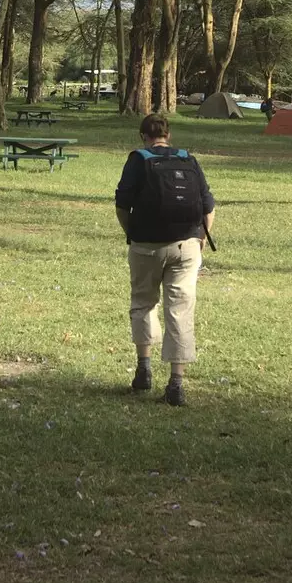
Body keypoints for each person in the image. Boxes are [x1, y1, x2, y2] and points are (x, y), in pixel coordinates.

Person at [114, 113, 216, 406]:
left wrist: (131, 233)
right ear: (168, 135)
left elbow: (122, 204)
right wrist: (199, 239)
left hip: (146, 245)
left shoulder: (138, 159)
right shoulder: (188, 159)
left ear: (142, 136)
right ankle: (176, 382)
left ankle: (144, 368)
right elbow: (208, 206)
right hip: (187, 246)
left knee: (144, 303)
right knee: (180, 310)